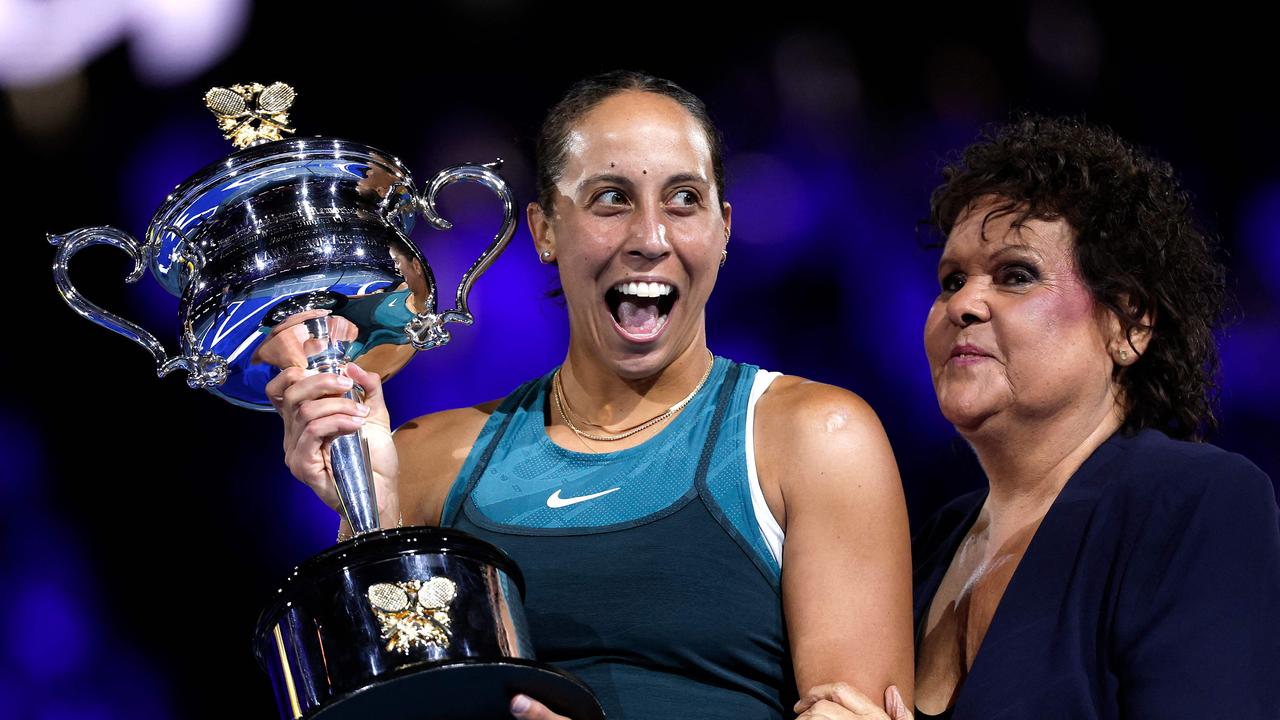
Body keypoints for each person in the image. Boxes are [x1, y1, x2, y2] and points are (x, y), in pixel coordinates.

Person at [268, 71, 915, 720]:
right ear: (545, 230)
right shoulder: (427, 461)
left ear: (722, 230)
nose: (650, 238)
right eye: (611, 199)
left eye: (683, 199)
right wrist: (371, 523)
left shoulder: (815, 440)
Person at [794, 117, 1280, 720]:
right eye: (950, 281)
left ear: (1129, 324)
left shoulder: (1198, 502)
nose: (963, 304)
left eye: (1016, 275)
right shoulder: (928, 547)